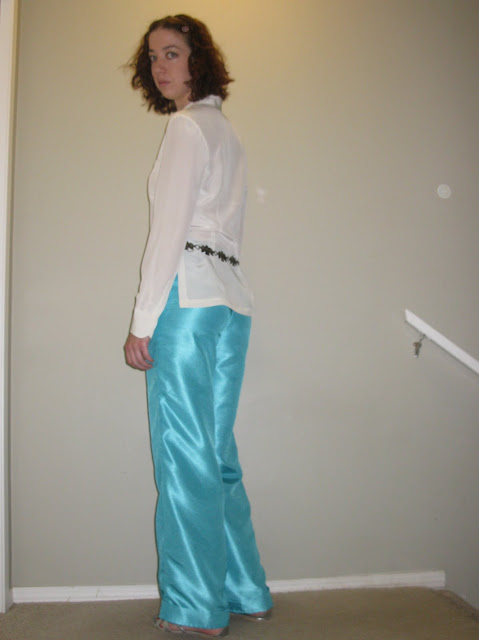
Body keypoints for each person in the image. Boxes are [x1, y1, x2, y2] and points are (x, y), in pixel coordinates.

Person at [124, 15, 273, 638]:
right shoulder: (226, 132)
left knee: (186, 455)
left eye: (172, 53)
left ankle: (193, 606)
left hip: (186, 305)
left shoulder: (187, 127)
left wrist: (142, 321)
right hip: (230, 305)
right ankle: (244, 589)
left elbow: (169, 232)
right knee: (214, 453)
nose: (160, 66)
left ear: (197, 60)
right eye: (153, 56)